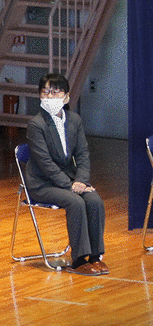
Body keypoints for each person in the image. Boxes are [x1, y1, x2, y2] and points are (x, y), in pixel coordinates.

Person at [25, 73, 107, 275]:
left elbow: (82, 154)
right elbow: (45, 163)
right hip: (42, 183)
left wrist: (81, 181)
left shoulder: (74, 120)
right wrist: (70, 185)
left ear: (67, 97)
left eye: (55, 92)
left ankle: (95, 256)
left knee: (94, 200)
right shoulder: (36, 124)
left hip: (69, 180)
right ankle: (78, 260)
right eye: (45, 92)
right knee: (76, 202)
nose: (49, 96)